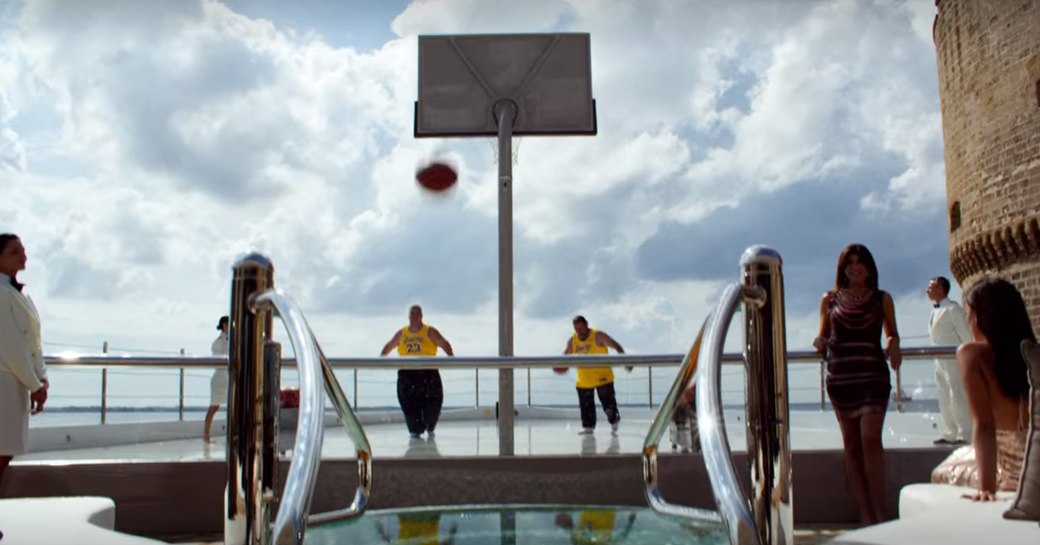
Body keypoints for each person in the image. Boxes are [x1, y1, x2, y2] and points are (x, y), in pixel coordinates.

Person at [813, 243, 901, 525]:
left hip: (872, 375)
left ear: (869, 267)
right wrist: (818, 342)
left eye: (860, 261)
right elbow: (823, 335)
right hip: (841, 377)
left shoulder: (881, 298)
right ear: (843, 269)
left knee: (870, 439)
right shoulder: (830, 300)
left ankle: (880, 512)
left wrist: (894, 344)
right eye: (849, 262)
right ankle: (865, 513)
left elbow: (892, 333)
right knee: (851, 445)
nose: (855, 266)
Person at [930, 277, 1032, 501]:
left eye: (969, 313)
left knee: (943, 471)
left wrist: (986, 489)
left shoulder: (973, 355)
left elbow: (984, 425)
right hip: (1036, 468)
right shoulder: (1034, 354)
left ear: (979, 316)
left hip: (1013, 473)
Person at [0, 233, 49, 540]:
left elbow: (34, 343)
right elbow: (9, 345)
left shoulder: (17, 293)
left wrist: (42, 377)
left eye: (23, 250)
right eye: (15, 251)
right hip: (5, 382)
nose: (23, 255)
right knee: (0, 456)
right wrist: (34, 383)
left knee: (3, 456)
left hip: (17, 382)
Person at [380, 305, 453, 440]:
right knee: (409, 406)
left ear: (421, 316)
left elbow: (444, 343)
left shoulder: (429, 331)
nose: (414, 316)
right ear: (408, 316)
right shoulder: (402, 333)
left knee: (433, 404)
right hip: (408, 374)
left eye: (417, 314)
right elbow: (389, 345)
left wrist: (451, 358)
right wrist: (381, 359)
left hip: (427, 373)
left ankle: (430, 428)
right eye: (412, 314)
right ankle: (415, 431)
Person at [560, 315, 627, 435]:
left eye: (580, 328)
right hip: (584, 380)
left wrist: (625, 360)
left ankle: (614, 422)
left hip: (603, 378)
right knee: (586, 408)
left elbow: (616, 345)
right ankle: (588, 428)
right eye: (576, 329)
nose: (578, 331)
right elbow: (565, 356)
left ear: (586, 325)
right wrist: (560, 366)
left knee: (609, 407)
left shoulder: (598, 335)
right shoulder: (573, 341)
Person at [926, 276, 973, 445]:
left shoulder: (953, 310)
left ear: (941, 289)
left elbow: (966, 336)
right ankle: (950, 431)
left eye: (931, 286)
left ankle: (965, 432)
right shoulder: (934, 311)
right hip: (939, 361)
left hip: (954, 360)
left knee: (958, 395)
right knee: (944, 396)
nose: (927, 290)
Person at [203, 315, 229, 443]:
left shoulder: (231, 339)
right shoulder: (218, 342)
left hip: (228, 376)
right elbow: (219, 359)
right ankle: (206, 435)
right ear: (224, 325)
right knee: (214, 407)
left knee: (220, 406)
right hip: (220, 377)